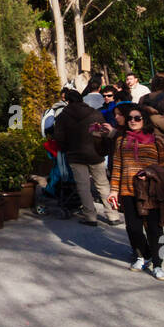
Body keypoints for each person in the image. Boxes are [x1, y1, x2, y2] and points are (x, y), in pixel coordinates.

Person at [107, 104, 164, 280]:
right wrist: (114, 190)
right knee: (133, 228)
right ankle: (143, 256)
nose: (133, 121)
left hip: (151, 191)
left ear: (144, 120)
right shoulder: (121, 140)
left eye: (137, 118)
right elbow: (117, 167)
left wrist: (151, 173)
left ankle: (159, 264)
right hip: (128, 191)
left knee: (155, 228)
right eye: (130, 118)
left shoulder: (157, 140)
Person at [50, 87, 123, 226]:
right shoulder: (94, 113)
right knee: (103, 185)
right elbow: (103, 132)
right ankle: (113, 215)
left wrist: (67, 148)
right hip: (95, 153)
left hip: (75, 155)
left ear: (67, 101)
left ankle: (90, 216)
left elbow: (59, 137)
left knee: (83, 186)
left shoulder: (63, 117)